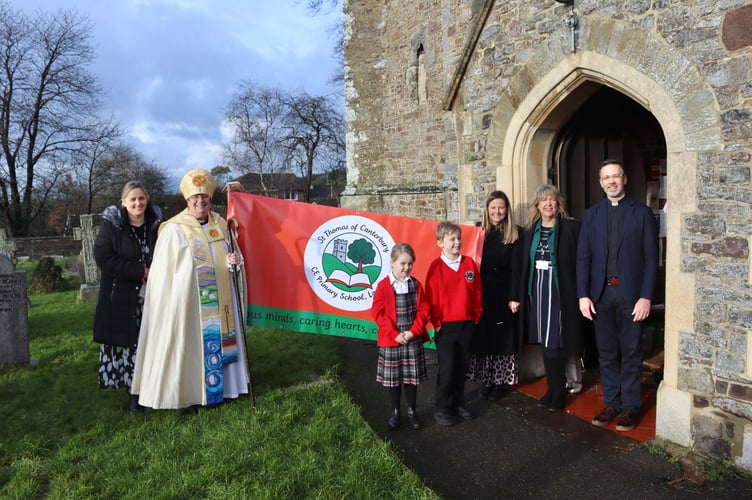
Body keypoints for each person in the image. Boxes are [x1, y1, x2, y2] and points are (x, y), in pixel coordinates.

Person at [131, 168, 249, 411]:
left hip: (221, 302)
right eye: (195, 198)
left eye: (204, 197)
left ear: (209, 199)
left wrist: (235, 263)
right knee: (190, 346)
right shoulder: (174, 229)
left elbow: (234, 258)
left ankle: (226, 390)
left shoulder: (221, 224)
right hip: (189, 303)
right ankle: (190, 394)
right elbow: (163, 275)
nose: (200, 201)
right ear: (187, 200)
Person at [577, 159, 658, 432]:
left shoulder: (643, 214)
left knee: (632, 352)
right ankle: (612, 402)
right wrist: (583, 295)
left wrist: (646, 296)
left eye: (615, 176)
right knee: (608, 353)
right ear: (601, 183)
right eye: (606, 178)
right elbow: (583, 258)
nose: (611, 181)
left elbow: (650, 259)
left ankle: (631, 406)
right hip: (601, 296)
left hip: (632, 296)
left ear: (624, 179)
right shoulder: (591, 215)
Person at [93, 181, 162, 412]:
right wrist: (139, 271)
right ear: (123, 202)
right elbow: (104, 258)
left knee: (151, 343)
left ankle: (153, 387)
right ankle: (134, 393)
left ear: (147, 199)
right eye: (132, 199)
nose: (137, 203)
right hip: (121, 296)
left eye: (141, 198)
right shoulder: (112, 226)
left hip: (153, 295)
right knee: (129, 346)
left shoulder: (157, 224)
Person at [516, 184, 583, 412]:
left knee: (555, 343)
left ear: (558, 203)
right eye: (543, 200)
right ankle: (551, 390)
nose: (548, 204)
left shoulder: (570, 228)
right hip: (538, 293)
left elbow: (581, 261)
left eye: (552, 200)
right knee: (545, 344)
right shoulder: (530, 231)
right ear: (537, 205)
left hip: (559, 294)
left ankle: (559, 393)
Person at [425, 221, 482, 426]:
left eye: (459, 238)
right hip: (446, 328)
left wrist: (475, 317)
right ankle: (442, 408)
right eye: (452, 239)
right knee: (447, 370)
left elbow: (476, 292)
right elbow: (431, 298)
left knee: (461, 368)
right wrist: (437, 323)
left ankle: (458, 403)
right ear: (440, 242)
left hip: (467, 325)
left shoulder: (468, 264)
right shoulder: (436, 267)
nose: (457, 242)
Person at [467, 191, 522, 401]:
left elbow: (517, 268)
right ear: (487, 210)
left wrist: (514, 296)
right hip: (482, 292)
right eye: (493, 208)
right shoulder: (478, 231)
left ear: (506, 209)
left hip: (505, 293)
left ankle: (501, 381)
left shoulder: (515, 233)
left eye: (501, 207)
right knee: (484, 336)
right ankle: (486, 381)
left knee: (503, 337)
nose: (497, 211)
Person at [372, 243, 432, 431]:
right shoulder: (383, 286)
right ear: (392, 263)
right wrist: (395, 334)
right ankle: (396, 412)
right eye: (402, 264)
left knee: (410, 379)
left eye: (410, 264)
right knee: (394, 379)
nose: (406, 268)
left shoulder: (415, 284)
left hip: (411, 337)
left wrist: (413, 331)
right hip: (392, 340)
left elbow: (424, 309)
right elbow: (377, 313)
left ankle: (412, 411)